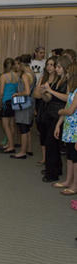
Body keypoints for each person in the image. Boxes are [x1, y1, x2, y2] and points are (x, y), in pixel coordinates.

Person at [40, 55, 71, 182]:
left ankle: (51, 173)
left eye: (58, 67)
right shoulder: (58, 79)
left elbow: (68, 98)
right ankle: (55, 168)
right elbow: (50, 98)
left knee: (51, 143)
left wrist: (51, 92)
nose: (56, 69)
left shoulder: (69, 81)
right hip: (50, 112)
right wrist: (45, 93)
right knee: (53, 144)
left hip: (59, 115)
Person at [53, 63, 77, 194]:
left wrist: (61, 111)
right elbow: (68, 107)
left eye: (68, 72)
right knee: (69, 156)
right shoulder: (72, 91)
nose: (66, 75)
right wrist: (58, 124)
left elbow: (70, 110)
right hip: (69, 129)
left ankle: (75, 185)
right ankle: (68, 180)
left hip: (76, 131)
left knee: (75, 159)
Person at [33, 56, 58, 164]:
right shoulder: (43, 78)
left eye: (52, 65)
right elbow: (36, 94)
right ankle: (44, 158)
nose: (49, 67)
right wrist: (42, 92)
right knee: (42, 133)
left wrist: (45, 92)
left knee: (50, 136)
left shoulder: (59, 79)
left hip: (53, 110)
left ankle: (50, 160)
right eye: (48, 64)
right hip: (42, 108)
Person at [10, 54, 35, 159]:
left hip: (24, 103)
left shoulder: (25, 75)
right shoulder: (32, 73)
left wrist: (17, 94)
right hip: (30, 103)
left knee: (23, 127)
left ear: (21, 64)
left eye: (17, 64)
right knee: (27, 127)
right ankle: (28, 149)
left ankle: (23, 151)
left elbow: (27, 91)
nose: (17, 66)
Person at [0, 58, 18, 153]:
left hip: (6, 102)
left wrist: (0, 101)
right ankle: (10, 144)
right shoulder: (17, 76)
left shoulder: (4, 77)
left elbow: (1, 92)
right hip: (14, 101)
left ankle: (11, 146)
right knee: (11, 125)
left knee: (5, 125)